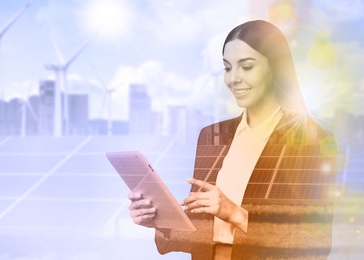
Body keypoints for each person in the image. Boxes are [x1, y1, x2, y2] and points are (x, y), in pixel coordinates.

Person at [128, 20, 337, 259]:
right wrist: (159, 220)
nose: (233, 78)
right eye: (227, 68)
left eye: (247, 67)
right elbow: (202, 230)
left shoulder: (312, 142)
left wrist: (234, 213)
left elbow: (314, 242)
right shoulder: (212, 136)